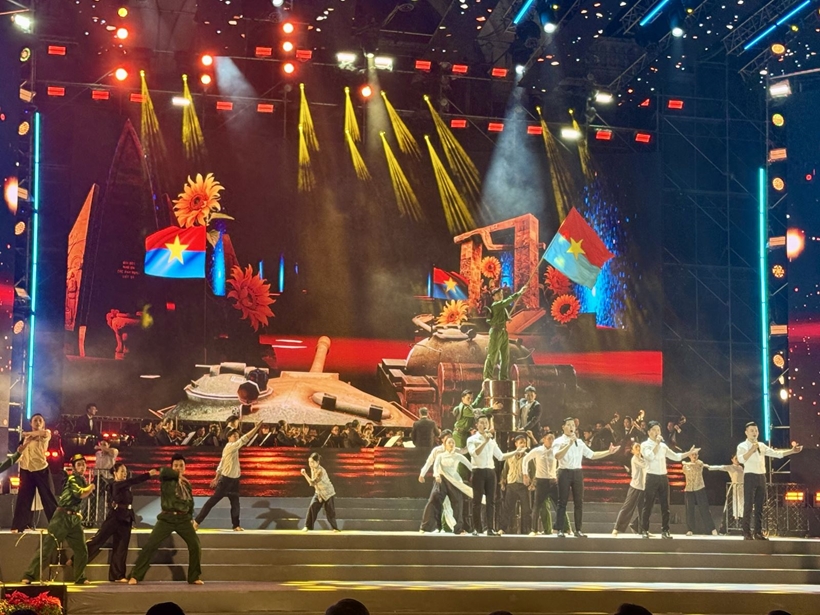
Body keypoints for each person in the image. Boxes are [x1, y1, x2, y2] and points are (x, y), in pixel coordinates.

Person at [128, 453, 203, 585]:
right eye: (176, 465)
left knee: (195, 545)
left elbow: (190, 503)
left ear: (185, 467)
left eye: (181, 466)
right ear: (171, 467)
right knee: (151, 545)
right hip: (166, 518)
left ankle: (193, 576)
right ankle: (136, 575)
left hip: (183, 519)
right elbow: (162, 471)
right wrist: (176, 474)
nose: (178, 468)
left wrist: (190, 518)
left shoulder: (186, 484)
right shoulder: (167, 478)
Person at [22, 453, 95, 585]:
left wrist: (78, 513)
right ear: (74, 467)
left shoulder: (82, 479)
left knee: (81, 550)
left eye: (84, 464)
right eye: (79, 465)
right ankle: (29, 575)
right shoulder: (73, 479)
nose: (82, 467)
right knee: (47, 548)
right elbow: (80, 493)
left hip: (73, 519)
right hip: (61, 518)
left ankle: (80, 577)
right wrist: (91, 487)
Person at [87, 463, 159, 581]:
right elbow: (133, 481)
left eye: (125, 471)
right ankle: (76, 559)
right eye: (122, 471)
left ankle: (118, 575)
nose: (125, 473)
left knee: (121, 547)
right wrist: (148, 475)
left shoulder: (124, 486)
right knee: (98, 539)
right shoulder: (116, 485)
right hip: (115, 517)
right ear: (115, 473)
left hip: (126, 518)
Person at [553, 417, 620, 537]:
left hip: (577, 472)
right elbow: (557, 456)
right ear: (563, 427)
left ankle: (578, 529)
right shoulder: (558, 441)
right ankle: (560, 529)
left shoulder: (579, 442)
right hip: (564, 471)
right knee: (562, 502)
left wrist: (608, 452)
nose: (571, 427)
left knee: (579, 502)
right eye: (568, 425)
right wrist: (569, 444)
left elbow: (592, 455)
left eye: (573, 425)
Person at [736, 421, 802, 540]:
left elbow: (776, 454)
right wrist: (752, 449)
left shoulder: (761, 445)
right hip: (750, 476)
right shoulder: (742, 446)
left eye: (756, 430)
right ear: (746, 432)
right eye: (752, 431)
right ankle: (746, 532)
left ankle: (758, 532)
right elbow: (741, 460)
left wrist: (792, 451)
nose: (754, 433)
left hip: (761, 476)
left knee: (760, 505)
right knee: (748, 504)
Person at [194, 419, 263, 532]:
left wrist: (216, 477)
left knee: (235, 504)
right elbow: (244, 439)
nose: (236, 437)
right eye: (234, 436)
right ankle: (196, 522)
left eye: (237, 436)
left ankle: (236, 525)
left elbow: (221, 463)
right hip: (226, 481)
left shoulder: (232, 449)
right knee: (212, 502)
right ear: (229, 438)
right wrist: (255, 428)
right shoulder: (230, 446)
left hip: (234, 481)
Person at [467, 416, 525, 536]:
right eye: (482, 423)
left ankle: (490, 528)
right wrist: (485, 441)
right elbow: (474, 453)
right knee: (477, 501)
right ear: (477, 425)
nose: (484, 425)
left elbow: (500, 456)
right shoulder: (472, 439)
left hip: (490, 472)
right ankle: (476, 528)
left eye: (486, 422)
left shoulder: (492, 441)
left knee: (491, 501)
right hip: (478, 471)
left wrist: (515, 452)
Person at [640, 421, 699, 539]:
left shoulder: (663, 446)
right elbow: (650, 457)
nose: (657, 432)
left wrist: (688, 453)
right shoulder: (645, 445)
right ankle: (644, 530)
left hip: (663, 476)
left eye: (658, 430)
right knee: (648, 504)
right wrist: (657, 444)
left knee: (665, 505)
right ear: (649, 432)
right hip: (651, 476)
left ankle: (665, 530)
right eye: (654, 430)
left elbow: (675, 456)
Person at [12, 413, 59, 533]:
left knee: (48, 497)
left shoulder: (45, 434)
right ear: (31, 423)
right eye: (35, 420)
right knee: (24, 498)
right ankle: (20, 526)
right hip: (26, 469)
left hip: (41, 469)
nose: (37, 422)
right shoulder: (25, 438)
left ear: (43, 423)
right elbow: (20, 452)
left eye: (40, 420)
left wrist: (28, 434)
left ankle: (57, 525)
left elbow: (43, 434)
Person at [523, 431, 570, 535]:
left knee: (559, 505)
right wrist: (525, 474)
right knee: (537, 506)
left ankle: (566, 528)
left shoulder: (555, 451)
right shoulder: (538, 450)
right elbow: (525, 459)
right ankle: (534, 530)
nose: (551, 441)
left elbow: (563, 461)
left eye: (553, 438)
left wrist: (557, 473)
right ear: (544, 439)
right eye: (549, 438)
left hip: (553, 481)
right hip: (541, 481)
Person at [483, 284, 527, 381]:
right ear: (493, 297)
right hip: (496, 332)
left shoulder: (501, 307)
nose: (500, 296)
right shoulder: (496, 305)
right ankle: (487, 376)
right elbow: (506, 302)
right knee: (492, 355)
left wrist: (507, 318)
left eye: (501, 294)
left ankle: (503, 377)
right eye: (498, 294)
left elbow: (502, 312)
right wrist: (519, 293)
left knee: (505, 356)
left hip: (503, 332)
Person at [430, 435, 473, 534]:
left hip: (454, 481)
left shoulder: (457, 456)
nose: (451, 444)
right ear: (445, 444)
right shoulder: (440, 456)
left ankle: (458, 528)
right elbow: (436, 467)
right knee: (438, 501)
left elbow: (470, 465)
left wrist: (477, 472)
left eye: (453, 442)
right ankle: (437, 527)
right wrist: (436, 475)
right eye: (449, 442)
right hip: (443, 481)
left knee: (458, 503)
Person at [418, 429, 459, 533]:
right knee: (434, 500)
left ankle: (456, 527)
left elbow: (464, 451)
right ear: (442, 439)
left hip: (451, 480)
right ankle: (429, 526)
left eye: (451, 437)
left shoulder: (454, 449)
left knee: (451, 503)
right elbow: (429, 462)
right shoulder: (437, 450)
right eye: (447, 437)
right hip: (439, 479)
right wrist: (422, 474)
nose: (450, 440)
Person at [499, 434, 531, 535]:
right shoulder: (510, 456)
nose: (523, 444)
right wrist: (503, 482)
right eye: (521, 442)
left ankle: (527, 530)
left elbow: (533, 470)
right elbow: (505, 470)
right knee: (507, 508)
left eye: (524, 442)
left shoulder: (528, 456)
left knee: (526, 509)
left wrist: (532, 483)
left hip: (523, 485)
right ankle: (503, 528)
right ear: (516, 444)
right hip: (511, 484)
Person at [612, 442, 646, 536]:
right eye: (636, 448)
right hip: (635, 486)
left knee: (643, 509)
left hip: (643, 487)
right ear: (632, 451)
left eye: (639, 447)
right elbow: (646, 465)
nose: (638, 449)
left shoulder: (641, 459)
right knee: (627, 507)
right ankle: (616, 528)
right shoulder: (635, 459)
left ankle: (641, 528)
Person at [301, 452, 339, 532]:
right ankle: (308, 526)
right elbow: (314, 485)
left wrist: (305, 474)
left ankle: (335, 528)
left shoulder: (320, 471)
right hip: (319, 491)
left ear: (317, 462)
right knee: (312, 506)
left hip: (328, 492)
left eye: (312, 462)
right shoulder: (312, 469)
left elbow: (313, 482)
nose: (310, 464)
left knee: (330, 511)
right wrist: (318, 494)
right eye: (309, 462)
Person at [681, 451, 717, 536]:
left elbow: (696, 465)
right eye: (692, 454)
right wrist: (685, 464)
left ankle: (711, 528)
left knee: (704, 508)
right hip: (689, 488)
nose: (694, 456)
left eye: (696, 454)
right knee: (689, 509)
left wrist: (685, 463)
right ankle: (690, 529)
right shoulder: (685, 466)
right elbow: (685, 470)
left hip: (699, 487)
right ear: (689, 456)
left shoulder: (699, 463)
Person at [707, 454, 744, 534]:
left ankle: (742, 528)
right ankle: (723, 529)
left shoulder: (741, 468)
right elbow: (721, 467)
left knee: (741, 508)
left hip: (741, 490)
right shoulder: (731, 467)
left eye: (738, 458)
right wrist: (709, 467)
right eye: (735, 458)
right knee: (729, 509)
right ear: (732, 460)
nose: (737, 460)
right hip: (734, 489)